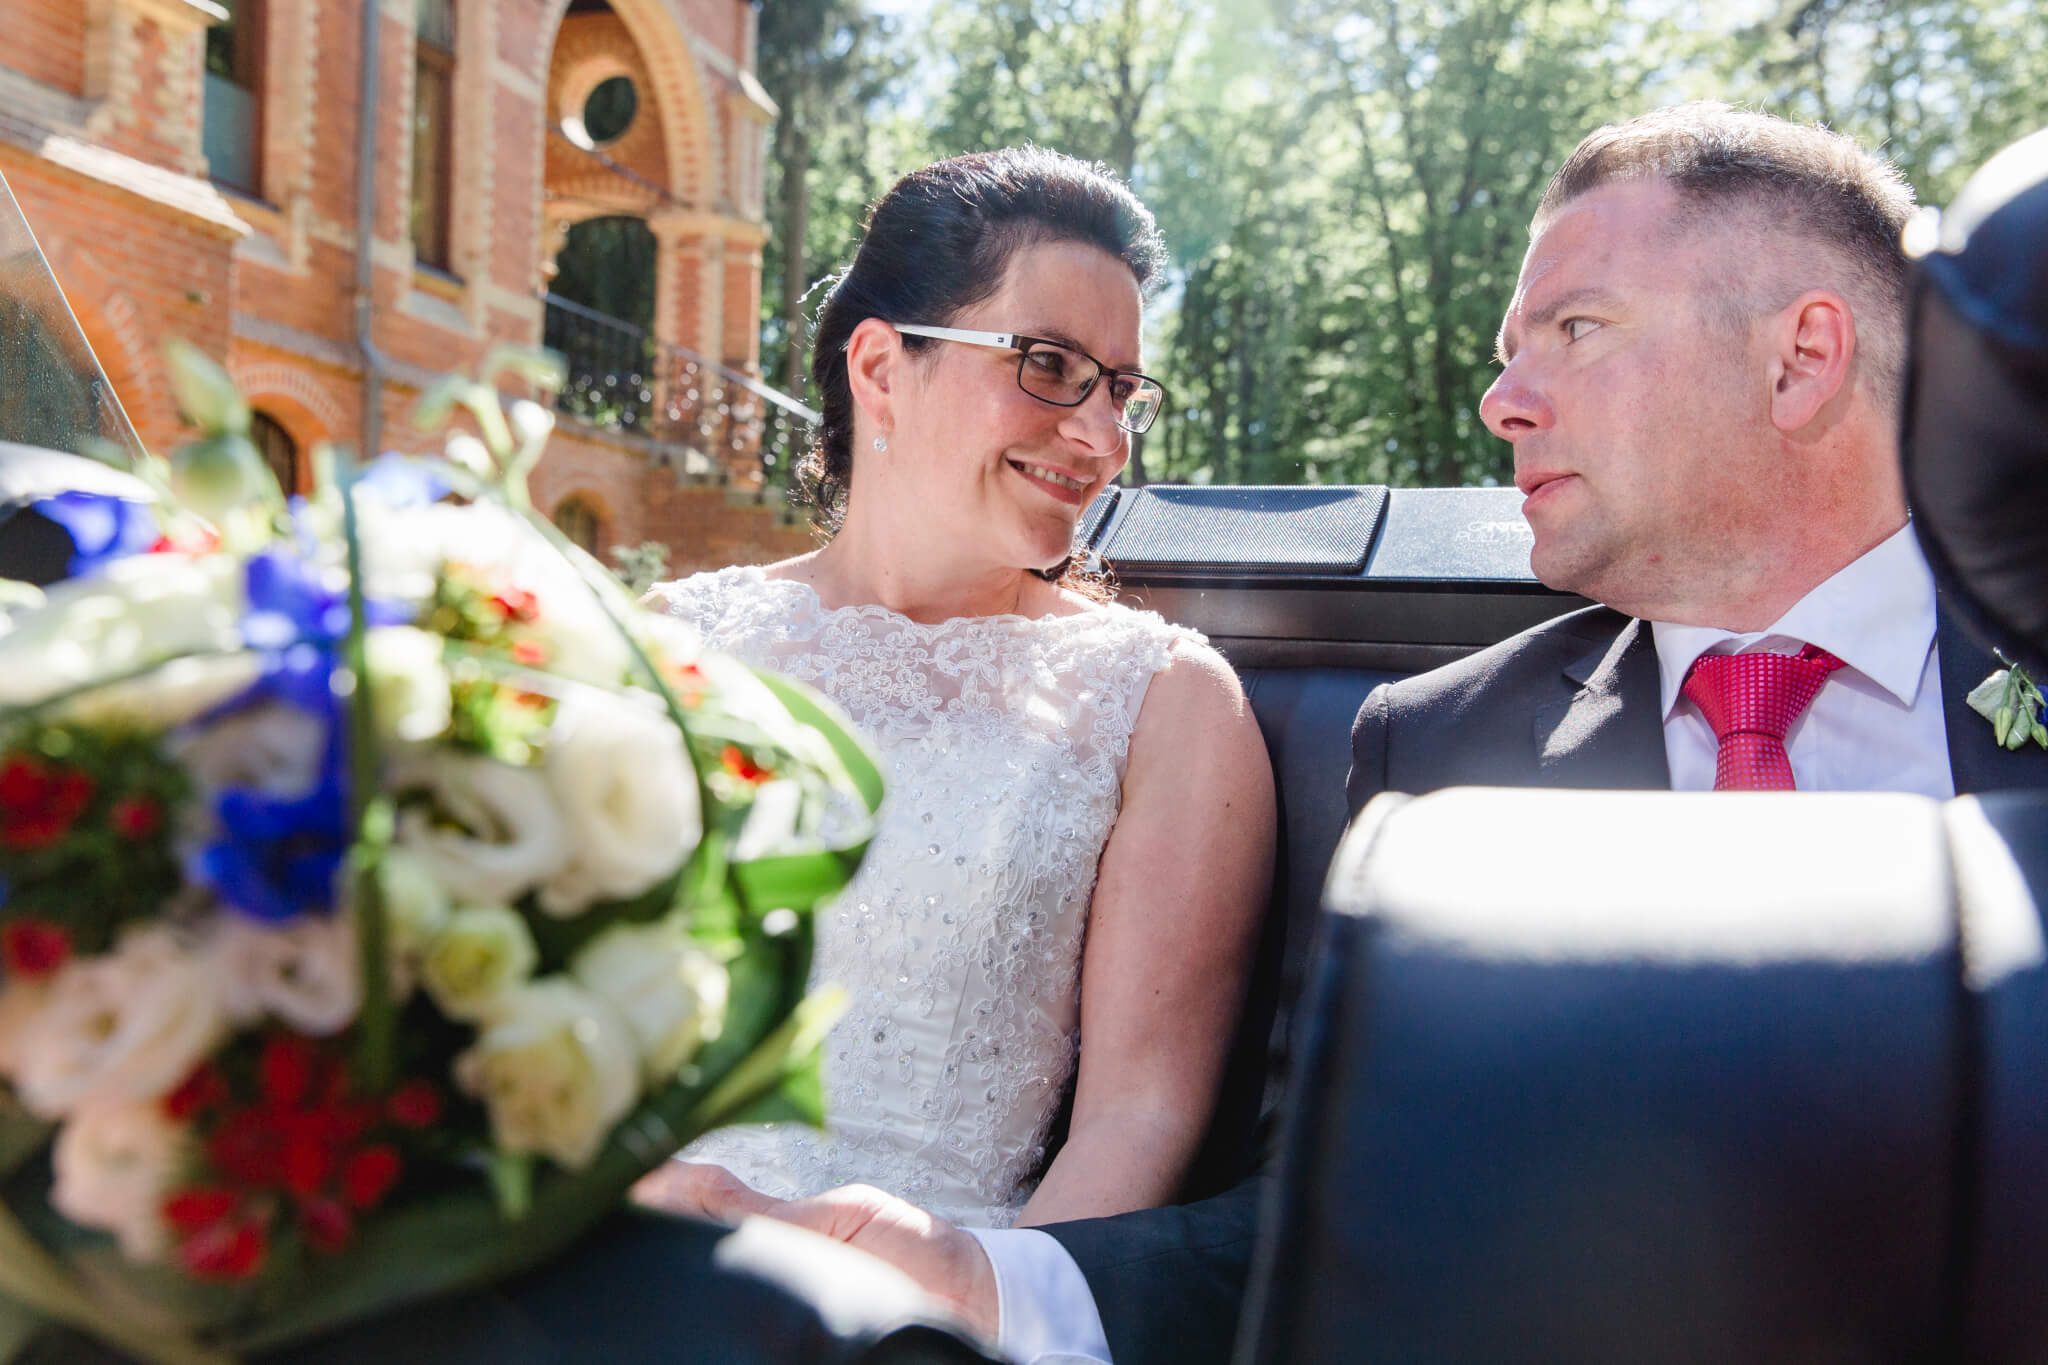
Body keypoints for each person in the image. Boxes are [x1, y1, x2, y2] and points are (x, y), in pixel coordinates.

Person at [652, 106, 2048, 1365]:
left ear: (1803, 356)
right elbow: (1327, 1230)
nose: (1502, 402)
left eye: (1575, 330)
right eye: (1509, 352)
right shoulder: (1445, 748)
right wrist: (980, 1286)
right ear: (878, 372)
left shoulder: (1157, 698)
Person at [637, 148, 1275, 1235]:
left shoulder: (1163, 702)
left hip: (914, 1310)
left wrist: (949, 1314)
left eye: (1120, 390)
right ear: (881, 369)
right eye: (1047, 363)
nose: (1101, 436)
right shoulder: (671, 643)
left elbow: (1137, 1125)